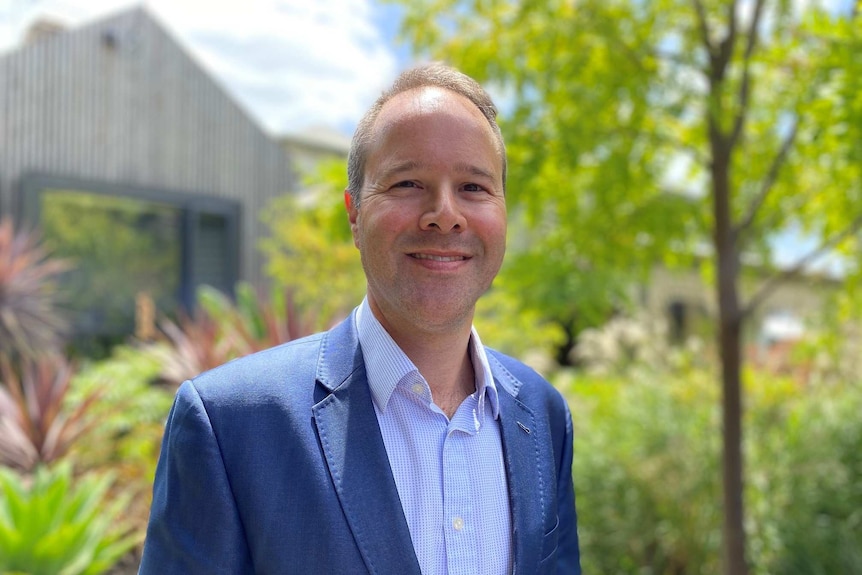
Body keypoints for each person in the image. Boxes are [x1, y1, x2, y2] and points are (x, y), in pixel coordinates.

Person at [139, 63, 581, 575]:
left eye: (474, 188)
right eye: (408, 182)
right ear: (353, 214)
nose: (444, 213)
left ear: (503, 212)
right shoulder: (229, 424)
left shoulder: (543, 416)